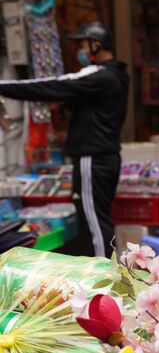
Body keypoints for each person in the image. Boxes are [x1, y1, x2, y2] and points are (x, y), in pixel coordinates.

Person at [0, 23, 129, 257]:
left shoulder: (99, 76)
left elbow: (53, 85)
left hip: (93, 159)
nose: (80, 50)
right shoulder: (116, 76)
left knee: (95, 224)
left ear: (96, 44)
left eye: (82, 44)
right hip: (103, 157)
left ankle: (106, 276)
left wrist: (4, 87)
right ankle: (104, 272)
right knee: (94, 219)